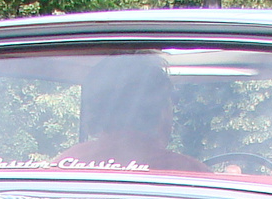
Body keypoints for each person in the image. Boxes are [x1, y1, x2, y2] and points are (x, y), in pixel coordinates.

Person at [53, 54, 208, 173]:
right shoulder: (190, 172)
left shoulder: (66, 162)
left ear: (96, 109)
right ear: (160, 109)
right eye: (170, 101)